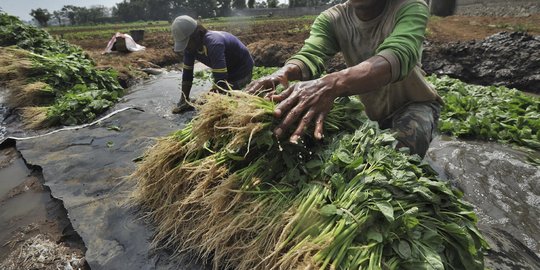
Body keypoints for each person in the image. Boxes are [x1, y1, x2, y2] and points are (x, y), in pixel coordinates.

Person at [246, 0, 443, 158]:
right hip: (370, 111)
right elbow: (311, 55)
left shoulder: (409, 7)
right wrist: (284, 72)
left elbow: (399, 54)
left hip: (414, 105)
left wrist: (332, 84)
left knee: (396, 159)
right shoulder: (333, 19)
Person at [171, 15, 254, 113]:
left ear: (199, 34)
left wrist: (207, 99)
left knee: (222, 101)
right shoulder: (190, 48)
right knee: (208, 99)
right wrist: (184, 99)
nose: (186, 48)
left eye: (187, 43)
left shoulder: (214, 43)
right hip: (227, 72)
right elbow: (187, 74)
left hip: (242, 71)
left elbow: (220, 80)